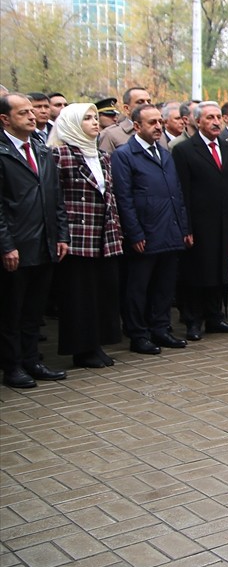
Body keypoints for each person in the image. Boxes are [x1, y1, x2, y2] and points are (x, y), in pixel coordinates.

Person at [0, 94, 69, 389]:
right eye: (23, 112)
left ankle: (32, 360)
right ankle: (12, 366)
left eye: (32, 111)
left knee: (34, 310)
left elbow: (56, 197)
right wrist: (6, 244)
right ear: (5, 119)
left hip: (45, 242)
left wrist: (62, 234)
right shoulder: (3, 153)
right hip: (17, 245)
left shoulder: (42, 149)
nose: (32, 116)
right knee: (11, 311)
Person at [111, 104, 192, 354]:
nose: (158, 126)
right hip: (144, 234)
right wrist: (134, 233)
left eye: (159, 121)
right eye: (151, 122)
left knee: (165, 286)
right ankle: (138, 334)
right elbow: (123, 198)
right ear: (137, 126)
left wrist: (184, 227)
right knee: (138, 288)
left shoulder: (164, 153)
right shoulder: (124, 155)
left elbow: (176, 193)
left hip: (169, 230)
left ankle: (161, 328)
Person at [48, 103, 124, 368]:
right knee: (80, 295)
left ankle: (97, 344)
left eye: (95, 118)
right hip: (77, 235)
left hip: (105, 233)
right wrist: (61, 235)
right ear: (71, 123)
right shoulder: (61, 155)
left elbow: (109, 196)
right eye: (87, 119)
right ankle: (81, 349)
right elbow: (54, 198)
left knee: (103, 291)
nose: (94, 122)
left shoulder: (102, 156)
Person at [172, 102, 228, 341]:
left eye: (218, 118)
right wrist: (186, 227)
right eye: (209, 118)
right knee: (197, 272)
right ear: (197, 122)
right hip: (199, 224)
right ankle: (194, 321)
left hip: (224, 223)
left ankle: (216, 316)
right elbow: (182, 192)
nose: (215, 122)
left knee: (220, 272)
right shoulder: (184, 151)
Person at [99, 87, 154, 152]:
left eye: (149, 102)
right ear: (127, 108)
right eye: (140, 102)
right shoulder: (110, 135)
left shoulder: (158, 132)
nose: (146, 105)